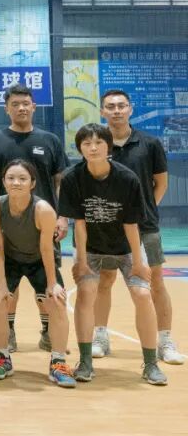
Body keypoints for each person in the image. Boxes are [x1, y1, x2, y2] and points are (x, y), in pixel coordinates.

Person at [59, 124, 166, 385]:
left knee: (143, 294)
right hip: (91, 248)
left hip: (126, 247)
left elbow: (131, 224)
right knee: (86, 293)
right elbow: (79, 224)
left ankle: (151, 364)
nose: (93, 148)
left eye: (98, 142)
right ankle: (85, 361)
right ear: (80, 148)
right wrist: (81, 261)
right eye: (86, 143)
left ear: (109, 146)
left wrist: (138, 262)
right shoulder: (72, 178)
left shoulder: (127, 178)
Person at [0, 84, 69, 353]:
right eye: (15, 104)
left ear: (34, 107)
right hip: (7, 225)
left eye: (25, 103)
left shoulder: (50, 140)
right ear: (6, 109)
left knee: (46, 284)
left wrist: (63, 217)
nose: (21, 108)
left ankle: (48, 332)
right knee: (8, 284)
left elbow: (60, 182)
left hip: (44, 225)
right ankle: (8, 332)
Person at [95, 89, 182, 364]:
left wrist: (145, 210)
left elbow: (161, 183)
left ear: (130, 109)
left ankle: (165, 341)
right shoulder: (97, 145)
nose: (116, 111)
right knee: (105, 280)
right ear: (102, 112)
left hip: (145, 227)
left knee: (155, 281)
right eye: (111, 106)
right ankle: (100, 337)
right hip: (108, 228)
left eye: (121, 106)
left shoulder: (150, 143)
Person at [0, 160, 75, 388]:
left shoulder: (43, 210)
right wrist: (1, 284)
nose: (16, 182)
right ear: (3, 182)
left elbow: (46, 249)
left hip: (39, 260)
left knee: (57, 301)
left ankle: (58, 362)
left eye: (22, 179)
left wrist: (52, 284)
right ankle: (2, 358)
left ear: (32, 183)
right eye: (10, 178)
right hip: (9, 258)